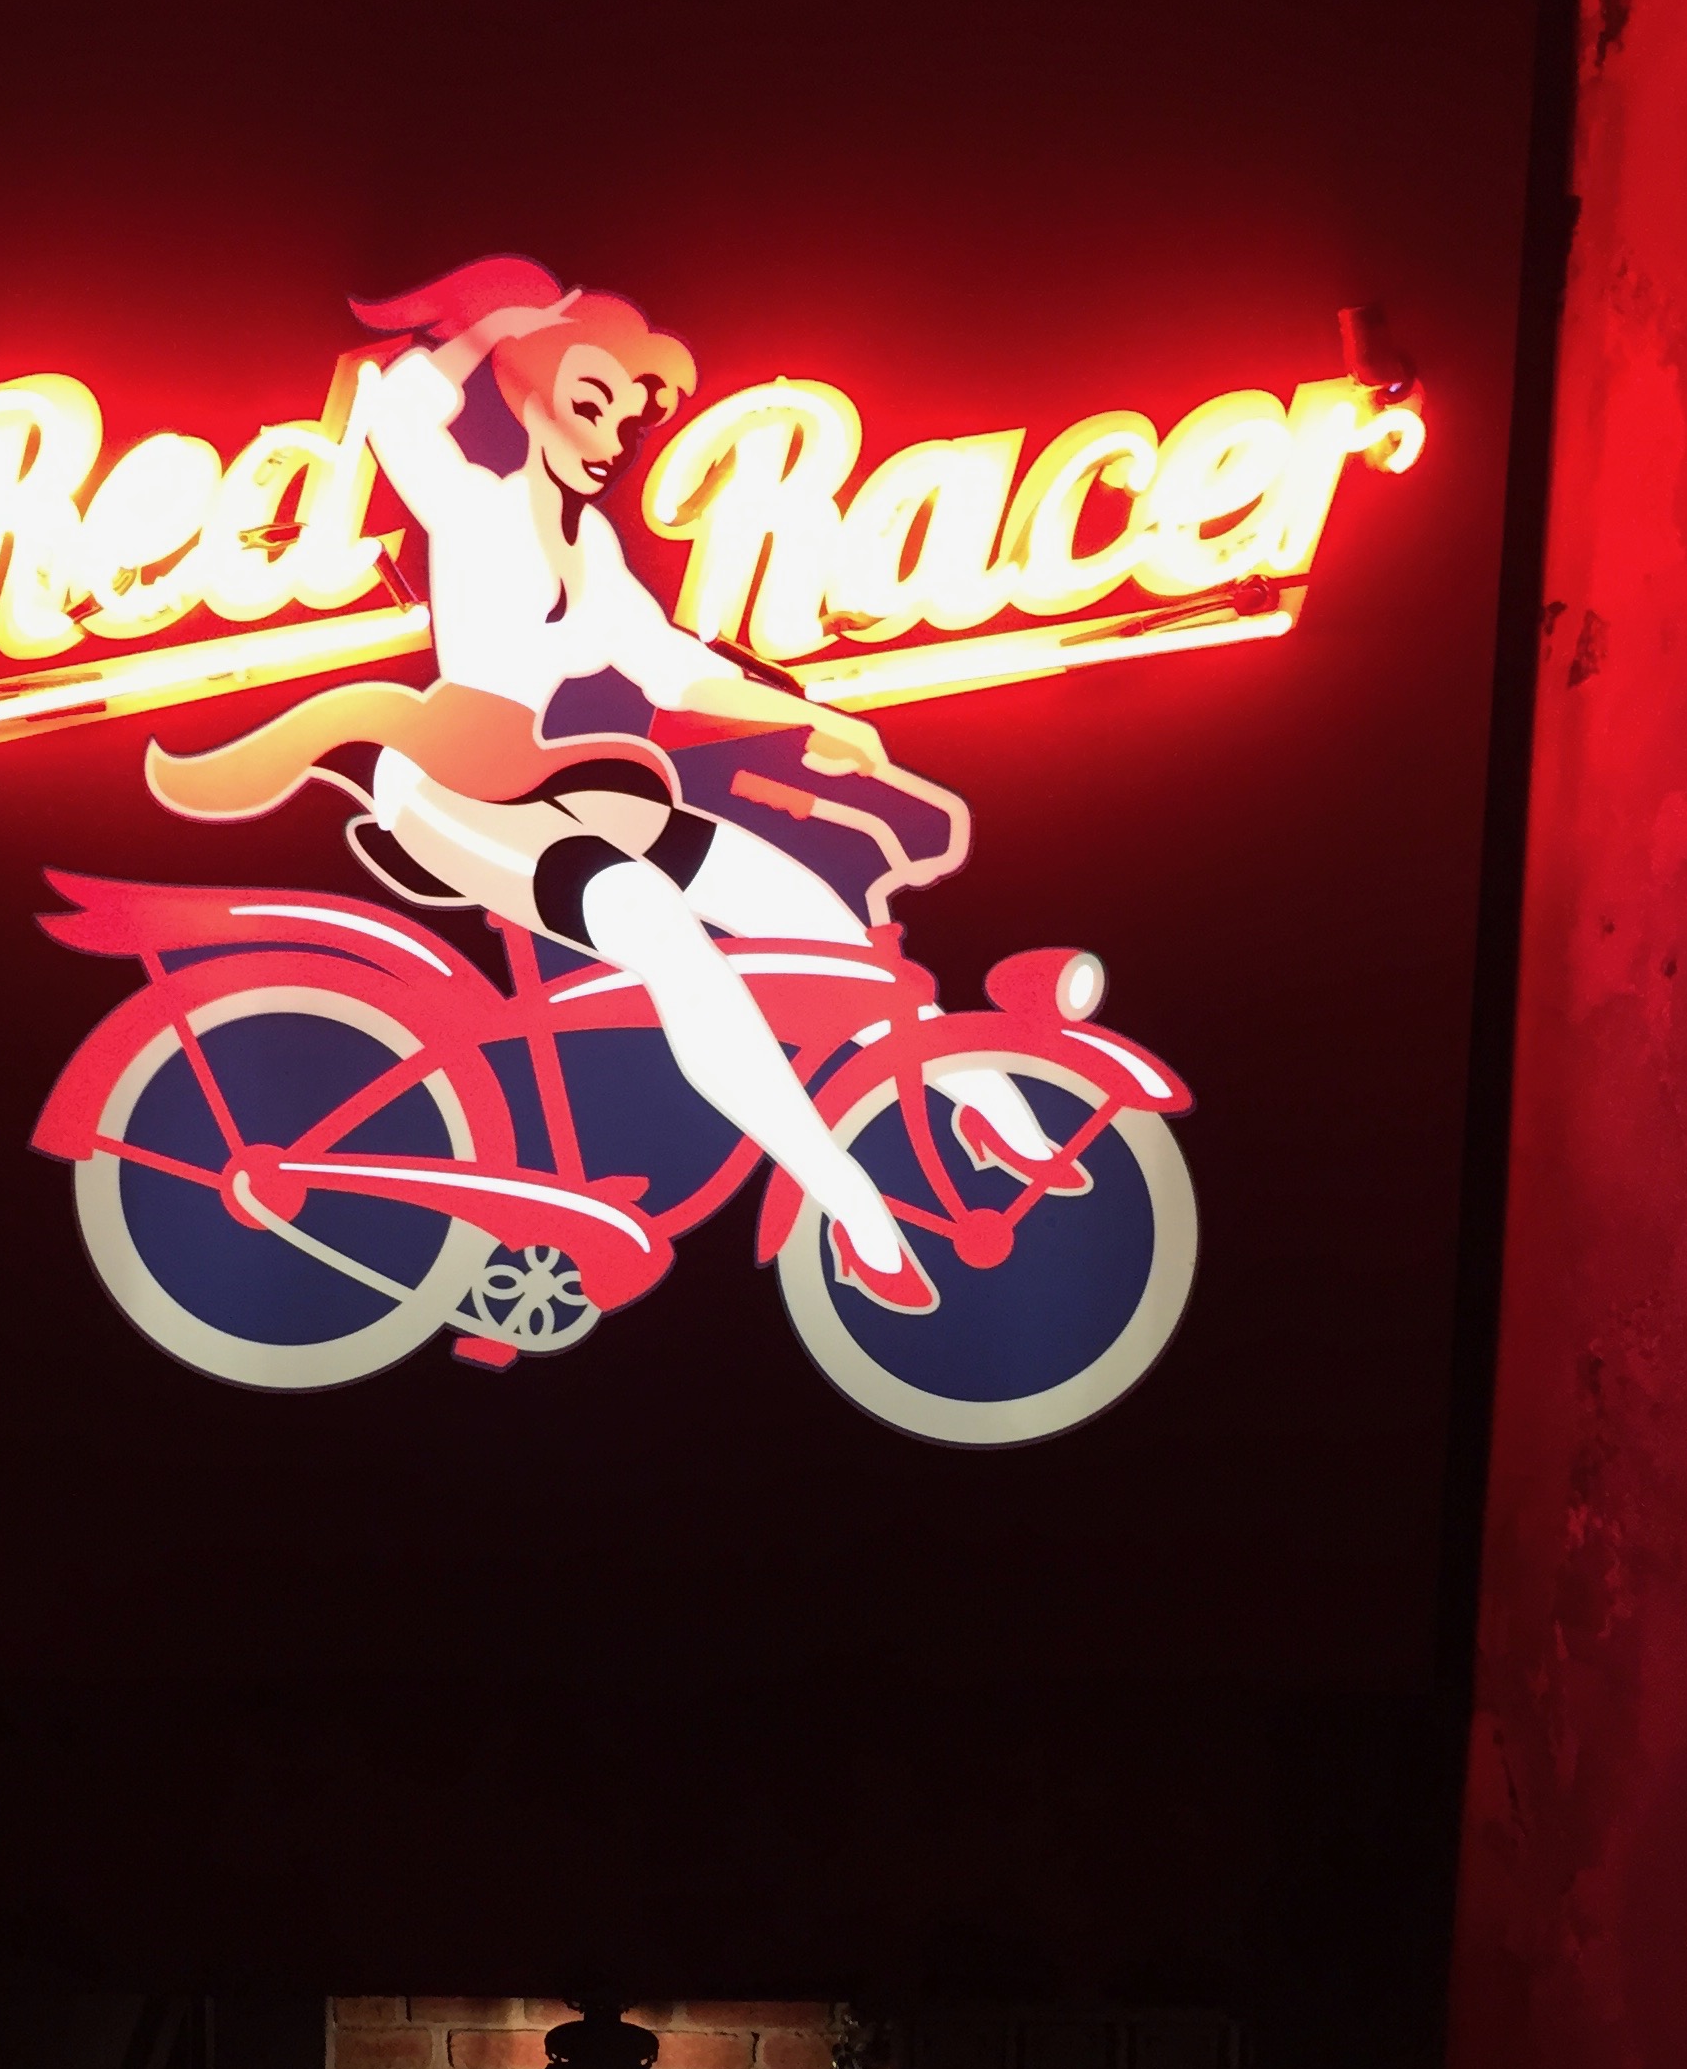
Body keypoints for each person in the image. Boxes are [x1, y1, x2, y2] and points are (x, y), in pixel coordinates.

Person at [145, 256, 1075, 1312]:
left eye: (630, 416)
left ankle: (987, 1102)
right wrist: (490, 329)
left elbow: (673, 667)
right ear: (528, 395)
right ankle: (853, 1208)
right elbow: (394, 412)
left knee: (807, 907)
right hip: (448, 788)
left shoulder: (589, 546)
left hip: (559, 783)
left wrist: (819, 719)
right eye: (590, 405)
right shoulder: (479, 509)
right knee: (663, 932)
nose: (612, 439)